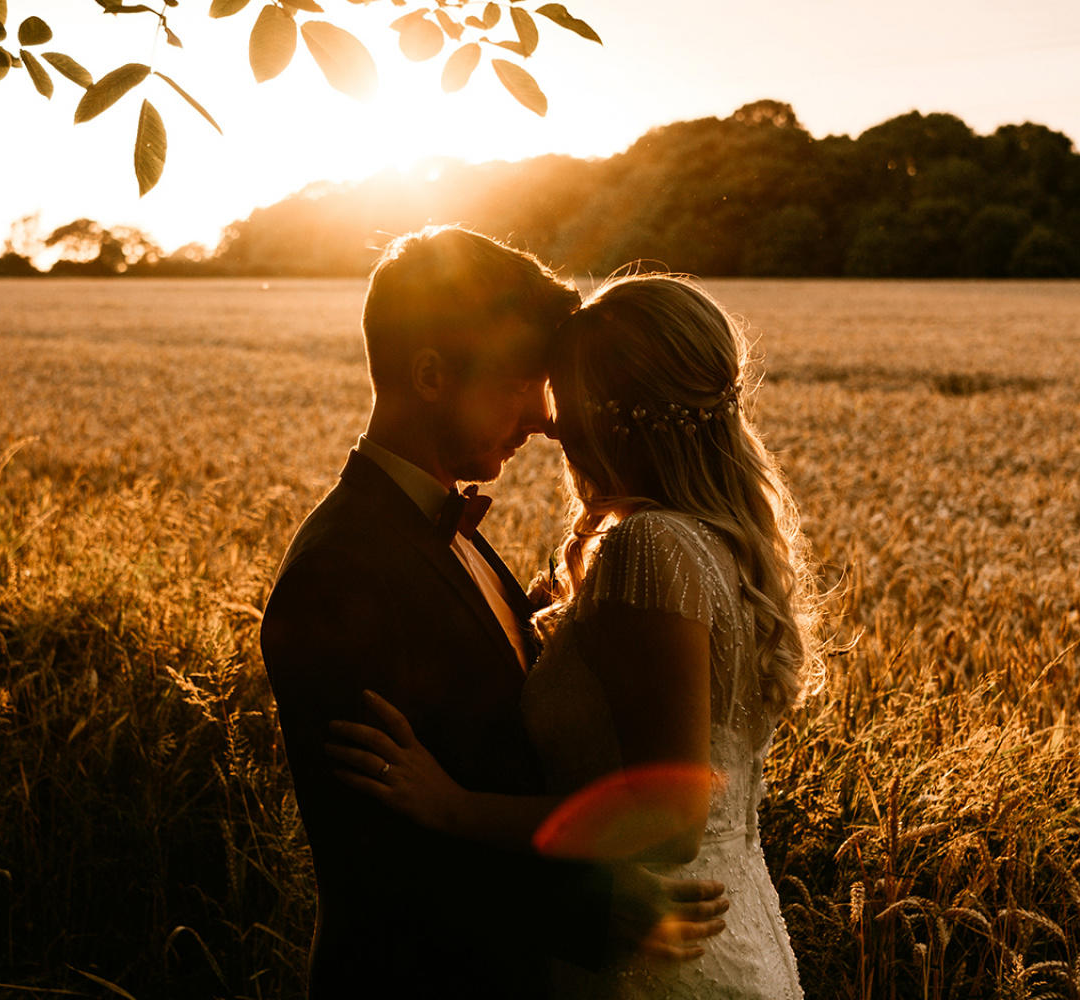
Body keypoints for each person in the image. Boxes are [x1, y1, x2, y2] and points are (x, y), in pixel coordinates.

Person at [259, 230, 731, 1000]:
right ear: (433, 375)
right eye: (521, 382)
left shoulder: (448, 533)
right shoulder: (339, 569)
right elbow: (373, 843)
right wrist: (598, 910)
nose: (548, 419)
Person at [328, 273, 824, 999]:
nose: (548, 422)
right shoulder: (714, 545)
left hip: (655, 957)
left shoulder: (652, 547)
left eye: (562, 391)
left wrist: (453, 807)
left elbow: (670, 818)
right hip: (729, 936)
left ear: (611, 410)